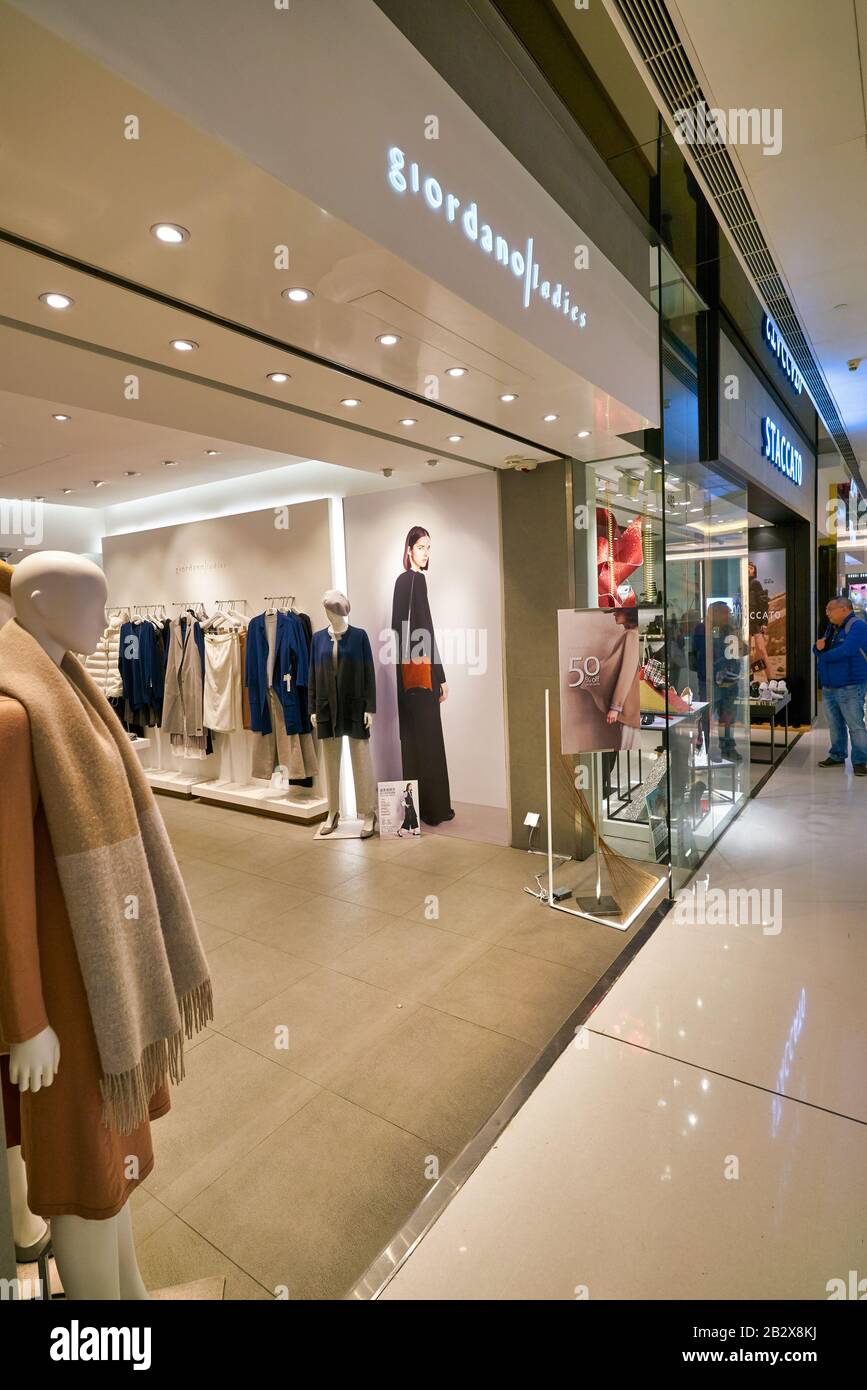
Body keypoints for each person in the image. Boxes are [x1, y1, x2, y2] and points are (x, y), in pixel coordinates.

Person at [391, 526, 454, 825]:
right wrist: (439, 675)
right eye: (421, 548)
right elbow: (425, 631)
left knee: (413, 739)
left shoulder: (400, 582)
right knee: (430, 740)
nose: (426, 553)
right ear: (409, 550)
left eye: (428, 548)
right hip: (424, 674)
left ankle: (414, 809)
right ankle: (435, 810)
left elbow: (398, 630)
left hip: (406, 676)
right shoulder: (417, 580)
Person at [814, 596, 867, 776]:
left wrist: (822, 655)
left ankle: (861, 761)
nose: (827, 613)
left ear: (844, 609)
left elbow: (846, 651)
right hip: (830, 686)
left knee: (855, 725)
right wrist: (818, 649)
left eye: (830, 609)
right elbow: (818, 646)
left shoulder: (858, 626)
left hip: (850, 686)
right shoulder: (832, 628)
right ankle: (837, 755)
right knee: (835, 724)